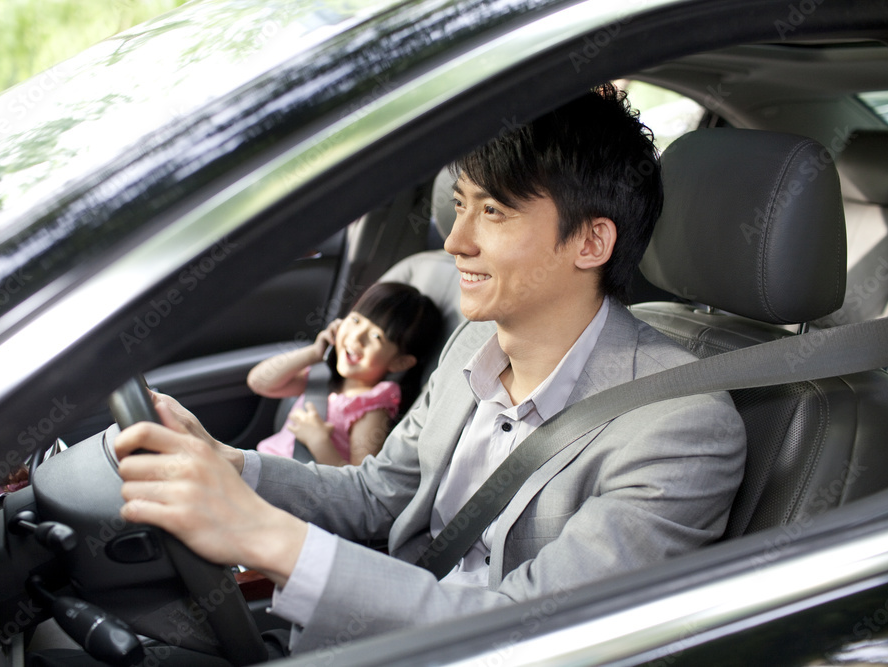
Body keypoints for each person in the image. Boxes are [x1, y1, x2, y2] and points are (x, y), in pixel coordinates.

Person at [114, 83, 746, 655]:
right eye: (460, 204)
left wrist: (266, 537)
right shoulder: (472, 342)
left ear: (591, 243)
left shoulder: (681, 428)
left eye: (493, 212)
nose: (454, 241)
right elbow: (376, 495)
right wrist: (235, 467)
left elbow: (530, 629)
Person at [247, 281, 441, 466]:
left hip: (287, 491)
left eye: (376, 336)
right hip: (264, 467)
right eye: (355, 320)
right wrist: (315, 353)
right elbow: (259, 382)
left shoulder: (370, 408)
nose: (356, 337)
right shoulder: (324, 377)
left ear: (400, 362)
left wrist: (320, 443)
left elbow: (356, 484)